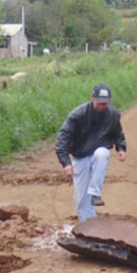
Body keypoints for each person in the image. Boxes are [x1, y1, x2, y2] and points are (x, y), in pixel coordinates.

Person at [56, 83, 128, 221]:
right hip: (80, 155)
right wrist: (65, 162)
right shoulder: (77, 115)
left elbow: (118, 133)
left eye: (105, 103)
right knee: (81, 197)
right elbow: (63, 138)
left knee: (102, 154)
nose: (102, 106)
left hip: (99, 152)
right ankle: (87, 224)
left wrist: (121, 148)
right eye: (100, 103)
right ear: (92, 98)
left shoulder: (113, 115)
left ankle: (95, 192)